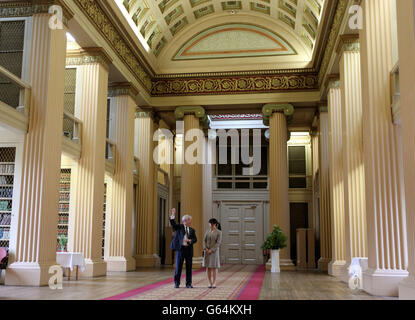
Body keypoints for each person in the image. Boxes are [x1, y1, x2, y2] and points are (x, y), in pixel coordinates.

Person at [169, 208, 197, 289]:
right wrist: (173, 215)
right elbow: (173, 224)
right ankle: (176, 283)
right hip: (180, 250)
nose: (190, 222)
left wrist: (190, 240)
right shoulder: (180, 227)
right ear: (185, 221)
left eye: (190, 220)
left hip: (189, 250)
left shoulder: (192, 230)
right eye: (189, 220)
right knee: (178, 267)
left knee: (189, 267)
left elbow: (195, 239)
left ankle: (188, 284)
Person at [203, 218, 222, 289]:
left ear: (215, 224)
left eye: (211, 224)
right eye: (209, 224)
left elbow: (218, 243)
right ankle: (209, 282)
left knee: (214, 267)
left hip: (214, 252)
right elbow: (204, 240)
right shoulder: (207, 231)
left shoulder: (219, 232)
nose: (210, 225)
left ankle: (214, 282)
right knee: (208, 267)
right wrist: (206, 248)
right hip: (207, 251)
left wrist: (212, 250)